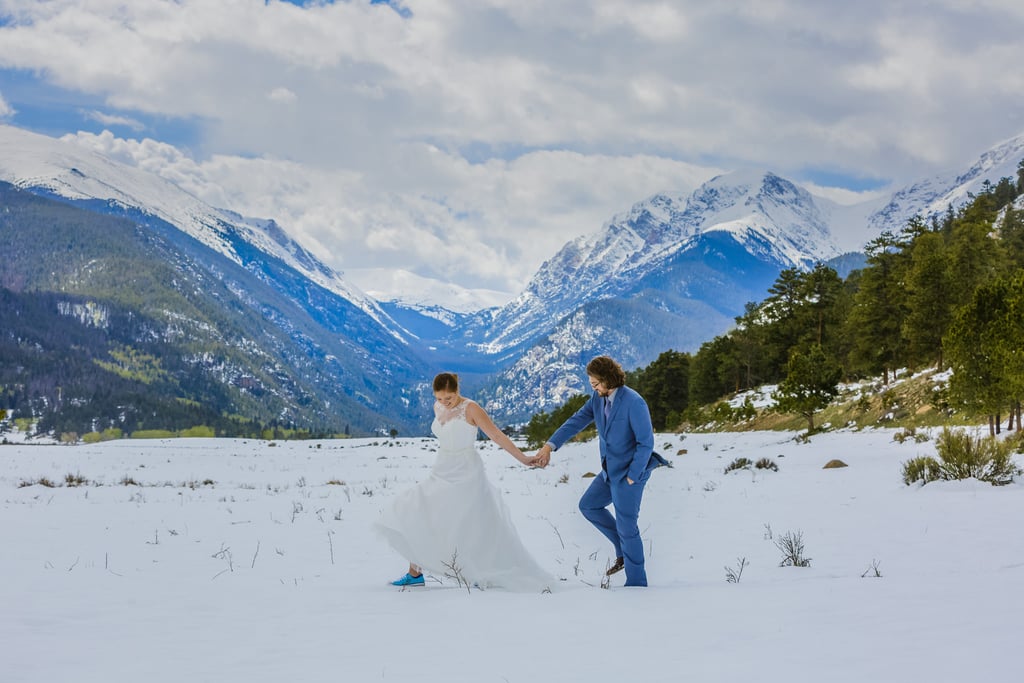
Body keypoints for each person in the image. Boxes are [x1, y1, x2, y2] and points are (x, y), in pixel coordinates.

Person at [374, 372, 552, 591]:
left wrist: (523, 458)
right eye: (439, 398)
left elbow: (496, 435)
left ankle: (477, 571)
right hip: (442, 468)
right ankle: (415, 573)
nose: (444, 403)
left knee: (469, 522)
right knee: (418, 508)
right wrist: (441, 405)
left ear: (457, 390)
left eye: (448, 398)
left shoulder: (471, 409)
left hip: (466, 471)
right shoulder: (437, 407)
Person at [534, 355, 663, 587]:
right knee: (589, 505)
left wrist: (633, 476)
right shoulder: (597, 398)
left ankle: (636, 584)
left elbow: (646, 443)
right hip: (608, 472)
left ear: (608, 379)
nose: (592, 387)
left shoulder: (634, 402)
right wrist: (549, 446)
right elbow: (575, 421)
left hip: (629, 474)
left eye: (595, 383)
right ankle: (621, 548)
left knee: (627, 527)